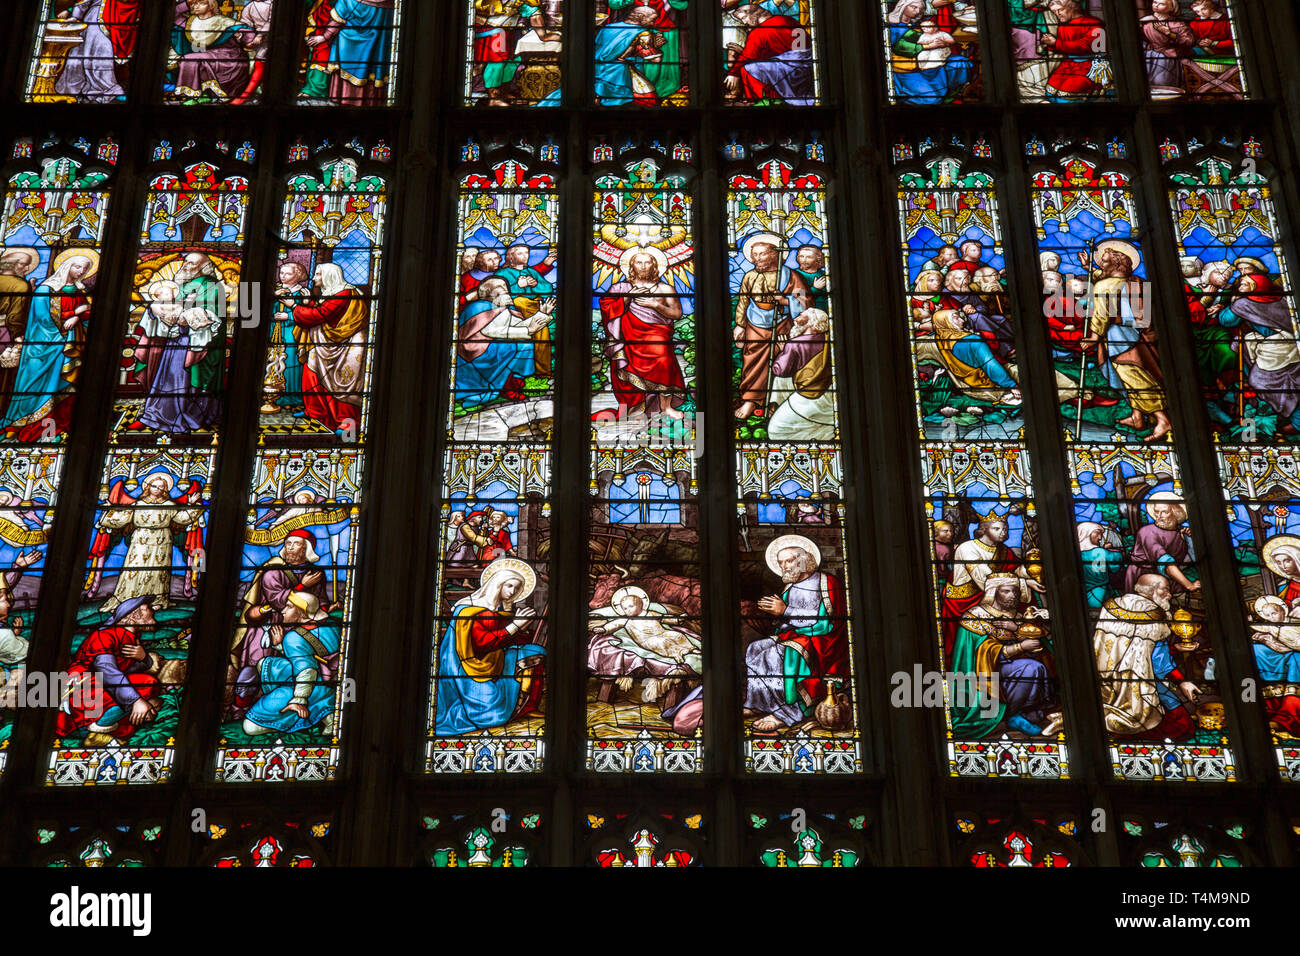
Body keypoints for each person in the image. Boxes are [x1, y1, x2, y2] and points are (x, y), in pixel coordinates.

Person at [744, 536, 849, 733]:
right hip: (795, 636)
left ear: (804, 560)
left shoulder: (827, 583)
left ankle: (790, 712)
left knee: (783, 653)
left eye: (789, 561)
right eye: (781, 562)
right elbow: (784, 622)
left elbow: (827, 624)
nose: (784, 566)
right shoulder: (790, 586)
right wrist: (774, 614)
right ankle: (758, 702)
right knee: (755, 648)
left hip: (823, 639)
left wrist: (784, 611)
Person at [434, 557, 545, 735]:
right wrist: (516, 625)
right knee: (493, 712)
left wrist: (520, 627)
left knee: (536, 652)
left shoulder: (496, 610)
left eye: (517, 588)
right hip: (468, 670)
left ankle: (527, 707)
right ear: (497, 584)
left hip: (494, 659)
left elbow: (505, 640)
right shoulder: (471, 609)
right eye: (509, 586)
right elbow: (483, 643)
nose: (513, 591)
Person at [229, 529, 331, 716]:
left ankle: (295, 705)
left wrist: (325, 610)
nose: (290, 548)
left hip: (302, 626)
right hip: (271, 625)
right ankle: (239, 708)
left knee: (303, 664)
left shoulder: (316, 573)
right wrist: (302, 586)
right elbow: (276, 600)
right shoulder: (273, 571)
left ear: (306, 548)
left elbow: (321, 600)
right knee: (255, 664)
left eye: (296, 544)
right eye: (287, 543)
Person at [949, 576, 1061, 738]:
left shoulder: (1016, 616)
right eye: (1006, 591)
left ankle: (1020, 713)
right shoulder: (976, 616)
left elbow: (1038, 646)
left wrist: (1017, 629)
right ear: (994, 593)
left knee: (1037, 667)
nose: (1013, 596)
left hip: (1007, 669)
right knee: (1031, 669)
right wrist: (1020, 646)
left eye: (1015, 591)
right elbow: (982, 651)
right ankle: (1009, 715)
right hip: (980, 674)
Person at [1082, 240, 1171, 441]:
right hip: (1138, 336)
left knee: (1134, 377)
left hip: (1118, 338)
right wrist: (1089, 269)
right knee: (1130, 376)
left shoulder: (1105, 285)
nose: (1101, 267)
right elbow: (1109, 282)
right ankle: (1138, 416)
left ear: (1115, 265)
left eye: (1104, 263)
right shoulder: (1135, 282)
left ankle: (1162, 419)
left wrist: (1094, 337)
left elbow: (1101, 315)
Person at [1092, 573, 1200, 738]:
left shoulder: (1112, 606)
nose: (1169, 595)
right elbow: (1158, 664)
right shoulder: (1155, 616)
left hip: (1105, 682)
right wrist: (1182, 682)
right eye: (1165, 590)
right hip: (1139, 683)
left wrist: (1173, 649)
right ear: (1152, 591)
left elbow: (1129, 648)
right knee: (1182, 725)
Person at [1, 250, 96, 432]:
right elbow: (43, 319)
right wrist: (75, 313)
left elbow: (89, 312)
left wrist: (78, 316)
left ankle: (50, 429)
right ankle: (21, 423)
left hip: (67, 344)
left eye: (84, 269)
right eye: (78, 267)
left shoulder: (77, 290)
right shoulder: (46, 289)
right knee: (32, 384)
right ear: (67, 266)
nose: (81, 272)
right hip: (42, 344)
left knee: (61, 385)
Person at [90, 472, 204, 613]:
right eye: (154, 486)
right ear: (148, 487)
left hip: (162, 541)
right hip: (140, 541)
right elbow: (121, 520)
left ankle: (158, 600)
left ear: (166, 489)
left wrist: (192, 505)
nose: (157, 489)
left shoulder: (169, 505)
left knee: (158, 572)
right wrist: (109, 511)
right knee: (134, 569)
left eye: (161, 487)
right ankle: (127, 598)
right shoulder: (138, 504)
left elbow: (183, 518)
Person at [56, 595, 162, 744]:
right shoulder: (104, 636)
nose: (154, 610)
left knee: (150, 684)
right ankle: (97, 728)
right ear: (133, 616)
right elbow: (107, 671)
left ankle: (111, 728)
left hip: (104, 685)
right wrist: (136, 700)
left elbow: (126, 669)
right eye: (148, 609)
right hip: (84, 688)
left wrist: (144, 658)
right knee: (143, 690)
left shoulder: (130, 637)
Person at [598, 247, 686, 420]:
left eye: (648, 263)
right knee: (627, 366)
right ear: (632, 266)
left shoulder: (665, 289)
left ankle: (666, 407)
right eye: (639, 262)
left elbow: (676, 313)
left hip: (658, 334)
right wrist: (626, 297)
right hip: (629, 337)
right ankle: (636, 407)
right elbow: (606, 307)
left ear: (655, 266)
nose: (644, 266)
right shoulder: (620, 288)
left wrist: (655, 305)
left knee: (665, 361)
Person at [941, 513, 1043, 655]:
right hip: (962, 603)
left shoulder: (1003, 550)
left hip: (993, 599)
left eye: (1005, 529)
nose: (1003, 533)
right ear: (983, 529)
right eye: (997, 529)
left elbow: (1015, 570)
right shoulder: (967, 548)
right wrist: (1025, 583)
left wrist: (1031, 566)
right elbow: (986, 581)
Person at [242, 591, 341, 736]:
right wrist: (280, 645)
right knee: (267, 664)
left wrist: (299, 700)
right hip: (330, 679)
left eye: (289, 607)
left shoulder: (293, 637)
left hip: (309, 685)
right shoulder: (332, 624)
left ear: (302, 612)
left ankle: (321, 710)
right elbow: (309, 655)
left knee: (250, 726)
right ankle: (326, 711)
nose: (283, 610)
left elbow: (307, 671)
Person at [733, 234, 809, 419]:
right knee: (753, 360)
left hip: (782, 324)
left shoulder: (790, 276)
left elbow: (804, 303)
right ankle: (751, 400)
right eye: (754, 254)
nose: (756, 258)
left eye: (761, 254)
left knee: (781, 358)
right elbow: (743, 301)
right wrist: (740, 325)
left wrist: (784, 300)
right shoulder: (749, 276)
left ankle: (777, 403)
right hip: (755, 324)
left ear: (775, 254)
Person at [1218, 273, 1300, 436]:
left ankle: (1288, 417)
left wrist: (1232, 303)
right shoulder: (1283, 301)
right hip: (1290, 344)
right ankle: (1292, 418)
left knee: (1259, 380)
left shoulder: (1244, 303)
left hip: (1277, 347)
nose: (1240, 287)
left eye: (1244, 284)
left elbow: (1226, 320)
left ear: (1255, 287)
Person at [454, 276, 553, 410]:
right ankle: (508, 386)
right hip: (475, 354)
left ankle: (514, 382)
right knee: (521, 346)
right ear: (490, 294)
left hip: (490, 348)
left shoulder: (502, 309)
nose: (507, 292)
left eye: (506, 289)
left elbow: (519, 326)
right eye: (501, 290)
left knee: (525, 345)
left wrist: (541, 314)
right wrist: (528, 330)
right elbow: (491, 331)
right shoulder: (481, 306)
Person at [291, 263, 368, 433]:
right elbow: (322, 313)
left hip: (347, 345)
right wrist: (307, 303)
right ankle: (315, 410)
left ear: (329, 276)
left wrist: (294, 307)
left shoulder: (345, 294)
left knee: (343, 382)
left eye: (318, 274)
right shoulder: (333, 293)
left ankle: (347, 423)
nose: (314, 278)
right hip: (327, 342)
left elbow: (321, 315)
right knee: (311, 370)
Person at [303, 0, 397, 107]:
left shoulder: (350, 1)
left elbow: (338, 18)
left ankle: (344, 100)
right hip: (376, 50)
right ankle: (372, 102)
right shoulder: (389, 3)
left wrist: (324, 36)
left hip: (349, 48)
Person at [723, 3, 815, 105]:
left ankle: (765, 101)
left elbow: (748, 57)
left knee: (748, 69)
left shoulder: (758, 32)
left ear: (751, 14)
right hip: (806, 68)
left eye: (744, 18)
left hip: (788, 73)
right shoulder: (788, 20)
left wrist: (733, 74)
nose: (744, 22)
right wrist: (743, 51)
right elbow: (785, 50)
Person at [50, 0, 141, 103]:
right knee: (80, 52)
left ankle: (103, 90)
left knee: (100, 53)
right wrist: (76, 15)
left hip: (113, 15)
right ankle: (72, 91)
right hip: (95, 16)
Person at [767, 307, 835, 441]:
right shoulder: (827, 340)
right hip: (826, 389)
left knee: (776, 430)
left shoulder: (795, 344)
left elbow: (780, 370)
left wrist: (782, 351)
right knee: (779, 382)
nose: (797, 316)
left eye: (802, 314)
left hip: (808, 394)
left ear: (811, 322)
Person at [885, 1, 974, 104]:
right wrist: (928, 46)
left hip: (931, 60)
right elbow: (900, 47)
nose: (917, 11)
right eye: (914, 7)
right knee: (931, 99)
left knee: (961, 63)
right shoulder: (892, 25)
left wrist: (942, 42)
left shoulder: (916, 24)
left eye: (920, 9)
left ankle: (952, 96)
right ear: (902, 6)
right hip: (908, 69)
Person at [168, 0, 254, 102]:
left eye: (201, 3)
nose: (196, 6)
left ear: (211, 5)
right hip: (205, 55)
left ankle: (202, 96)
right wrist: (187, 3)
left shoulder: (224, 21)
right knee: (188, 59)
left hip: (228, 58)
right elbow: (172, 14)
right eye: (194, 4)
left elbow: (248, 33)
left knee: (191, 59)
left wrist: (245, 38)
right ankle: (196, 96)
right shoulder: (190, 22)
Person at [1122, 492, 1201, 595]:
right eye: (1156, 512)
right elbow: (1165, 562)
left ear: (1175, 512)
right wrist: (1189, 585)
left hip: (1172, 577)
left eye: (1164, 512)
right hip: (1145, 580)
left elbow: (1193, 559)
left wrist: (1189, 539)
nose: (1158, 516)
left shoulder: (1182, 532)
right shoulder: (1148, 532)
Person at [606, 0, 688, 100]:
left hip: (666, 26)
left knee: (666, 69)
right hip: (634, 29)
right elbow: (614, 3)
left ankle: (665, 93)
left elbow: (682, 4)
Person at [594, 5, 668, 106]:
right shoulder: (642, 34)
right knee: (648, 100)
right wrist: (656, 47)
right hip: (619, 75)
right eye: (652, 20)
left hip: (597, 70)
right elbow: (655, 59)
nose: (652, 23)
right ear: (641, 16)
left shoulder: (608, 27)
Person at [1039, 0, 1112, 101]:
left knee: (1066, 95)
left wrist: (1056, 43)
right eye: (1054, 12)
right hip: (1069, 65)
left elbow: (1086, 46)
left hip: (1090, 66)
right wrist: (1050, 43)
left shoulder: (1094, 23)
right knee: (1051, 91)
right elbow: (1064, 48)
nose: (1057, 14)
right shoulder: (1062, 26)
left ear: (1073, 7)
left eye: (1060, 10)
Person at [266, 261, 310, 415]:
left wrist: (289, 316)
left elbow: (307, 314)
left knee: (290, 364)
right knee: (273, 362)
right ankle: (272, 394)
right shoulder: (276, 291)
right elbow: (257, 311)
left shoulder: (303, 293)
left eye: (288, 273)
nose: (283, 276)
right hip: (274, 332)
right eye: (281, 273)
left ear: (297, 275)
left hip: (292, 333)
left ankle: (292, 398)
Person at [0, 248, 39, 420]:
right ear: (13, 264)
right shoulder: (19, 285)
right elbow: (16, 316)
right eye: (24, 265)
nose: (26, 269)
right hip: (4, 334)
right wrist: (18, 338)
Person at [1077, 521, 1123, 610]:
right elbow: (1115, 565)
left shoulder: (1074, 554)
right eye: (1097, 533)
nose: (1100, 537)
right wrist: (1108, 550)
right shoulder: (1100, 552)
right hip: (1101, 592)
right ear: (1087, 533)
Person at [298, 0, 338, 99]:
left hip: (331, 23)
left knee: (323, 54)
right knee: (315, 53)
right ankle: (310, 87)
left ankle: (317, 89)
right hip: (320, 22)